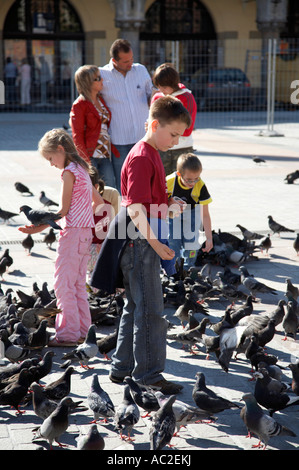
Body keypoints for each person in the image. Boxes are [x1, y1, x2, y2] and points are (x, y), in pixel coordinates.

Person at [91, 95, 191, 394]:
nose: (175, 142)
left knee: (135, 306)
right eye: (173, 134)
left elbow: (147, 203)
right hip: (139, 242)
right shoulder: (142, 156)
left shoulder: (150, 153)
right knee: (151, 311)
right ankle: (148, 375)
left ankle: (122, 368)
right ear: (155, 124)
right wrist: (158, 246)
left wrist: (168, 203)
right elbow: (135, 207)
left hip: (138, 238)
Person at [18, 128, 104, 346]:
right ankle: (84, 332)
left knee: (63, 285)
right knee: (76, 285)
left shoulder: (68, 172)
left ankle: (68, 335)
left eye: (50, 158)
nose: (50, 163)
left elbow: (63, 211)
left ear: (60, 149)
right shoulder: (83, 168)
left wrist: (36, 229)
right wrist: (83, 215)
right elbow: (99, 202)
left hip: (73, 234)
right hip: (85, 233)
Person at [99, 39, 153, 191]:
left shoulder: (141, 70)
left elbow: (152, 93)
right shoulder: (102, 74)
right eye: (125, 61)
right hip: (118, 141)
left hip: (143, 138)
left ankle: (144, 212)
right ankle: (124, 214)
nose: (130, 63)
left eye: (132, 59)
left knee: (144, 180)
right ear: (114, 60)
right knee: (123, 182)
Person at [70, 65, 116, 188]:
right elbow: (77, 135)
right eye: (98, 78)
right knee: (93, 191)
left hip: (105, 153)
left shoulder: (101, 99)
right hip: (91, 156)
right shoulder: (80, 105)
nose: (102, 80)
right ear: (88, 82)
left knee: (110, 190)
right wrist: (85, 161)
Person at [166, 153, 213, 268]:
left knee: (191, 241)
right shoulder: (169, 181)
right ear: (179, 174)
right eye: (189, 180)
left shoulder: (200, 185)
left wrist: (209, 238)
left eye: (196, 179)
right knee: (172, 241)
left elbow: (205, 215)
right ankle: (173, 268)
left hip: (192, 213)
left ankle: (189, 267)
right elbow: (158, 203)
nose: (192, 183)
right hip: (173, 214)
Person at [151, 63, 197, 174]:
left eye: (164, 87)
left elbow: (187, 130)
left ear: (174, 83)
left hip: (182, 149)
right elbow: (152, 125)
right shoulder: (157, 97)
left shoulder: (187, 97)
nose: (161, 90)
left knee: (182, 184)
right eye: (158, 86)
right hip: (161, 149)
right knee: (161, 183)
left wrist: (163, 130)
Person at [87, 166, 120, 284]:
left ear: (95, 188)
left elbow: (116, 227)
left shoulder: (109, 200)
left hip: (102, 247)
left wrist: (106, 243)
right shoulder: (77, 204)